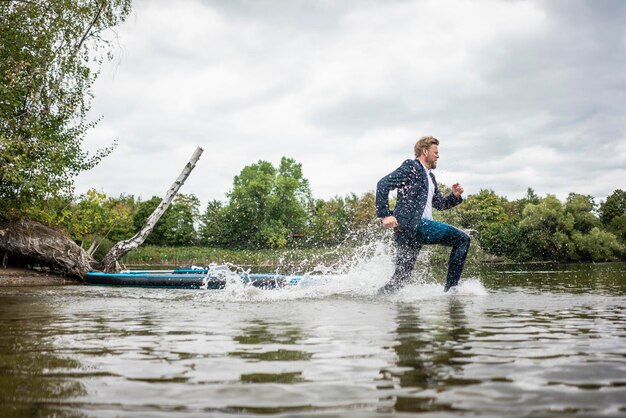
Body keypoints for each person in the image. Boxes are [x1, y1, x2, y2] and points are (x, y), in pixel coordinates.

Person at [376, 136, 470, 293]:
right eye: (436, 152)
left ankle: (379, 298)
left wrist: (454, 196)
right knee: (462, 239)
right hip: (416, 225)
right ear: (425, 151)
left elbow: (440, 204)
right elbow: (383, 184)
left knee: (401, 279)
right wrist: (385, 214)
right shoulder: (411, 167)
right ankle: (451, 291)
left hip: (406, 230)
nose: (438, 156)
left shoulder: (430, 177)